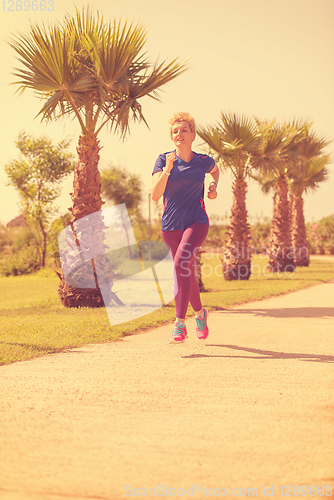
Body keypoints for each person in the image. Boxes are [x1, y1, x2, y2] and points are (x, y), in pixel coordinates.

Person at [151, 111, 219, 344]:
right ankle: (200, 315)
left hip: (196, 221)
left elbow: (215, 170)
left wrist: (213, 185)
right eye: (175, 131)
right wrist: (168, 169)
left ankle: (179, 324)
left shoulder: (202, 160)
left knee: (181, 264)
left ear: (193, 134)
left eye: (184, 130)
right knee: (185, 272)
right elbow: (155, 195)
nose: (179, 134)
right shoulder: (163, 160)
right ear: (172, 136)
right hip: (170, 226)